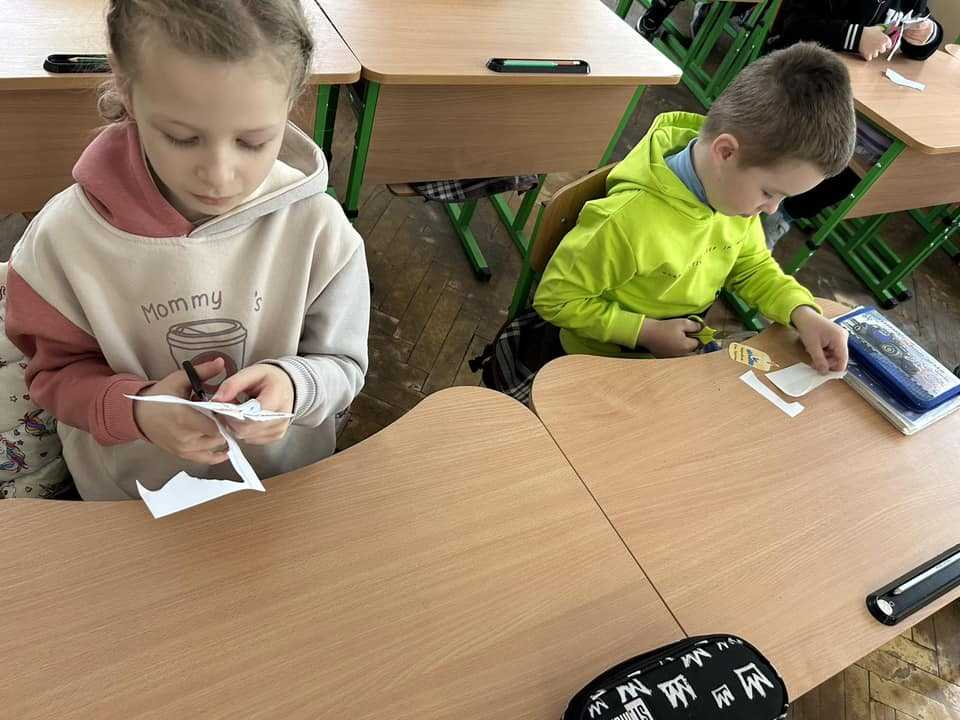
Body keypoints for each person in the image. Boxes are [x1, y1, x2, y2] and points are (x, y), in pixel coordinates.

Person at [5, 0, 370, 500]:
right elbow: (53, 376)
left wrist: (295, 384)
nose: (219, 175)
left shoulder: (319, 229)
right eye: (181, 137)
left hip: (282, 491)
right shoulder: (63, 241)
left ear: (292, 100)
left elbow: (342, 364)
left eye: (253, 141)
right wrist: (136, 409)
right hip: (127, 500)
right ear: (126, 89)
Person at [533, 43, 852, 373]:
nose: (772, 210)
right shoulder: (626, 221)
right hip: (600, 359)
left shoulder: (732, 199)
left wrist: (802, 312)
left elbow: (752, 267)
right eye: (769, 193)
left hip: (671, 348)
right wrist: (646, 332)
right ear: (726, 152)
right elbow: (556, 299)